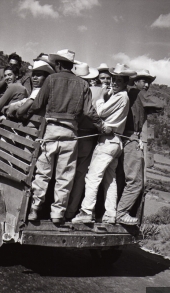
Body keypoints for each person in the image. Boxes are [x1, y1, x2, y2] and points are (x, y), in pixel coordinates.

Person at [27, 49, 102, 224]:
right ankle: (57, 214)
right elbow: (88, 111)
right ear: (72, 66)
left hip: (51, 130)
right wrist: (101, 126)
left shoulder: (51, 79)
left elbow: (37, 104)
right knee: (65, 176)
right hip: (71, 134)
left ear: (59, 64)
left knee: (43, 173)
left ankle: (35, 209)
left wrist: (25, 115)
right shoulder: (83, 84)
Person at [72, 64, 136, 224]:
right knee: (110, 179)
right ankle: (110, 213)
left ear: (125, 83)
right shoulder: (120, 96)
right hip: (115, 142)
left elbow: (100, 112)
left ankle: (86, 211)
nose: (114, 83)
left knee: (92, 177)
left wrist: (100, 96)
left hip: (107, 142)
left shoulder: (121, 96)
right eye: (114, 80)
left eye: (119, 81)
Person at [116, 70, 165, 225]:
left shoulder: (127, 93)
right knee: (136, 181)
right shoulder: (139, 93)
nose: (147, 85)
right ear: (135, 81)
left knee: (118, 178)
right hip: (131, 138)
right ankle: (121, 213)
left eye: (148, 82)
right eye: (144, 81)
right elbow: (160, 104)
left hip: (120, 137)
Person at [65, 62, 100, 220]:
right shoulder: (97, 91)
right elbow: (91, 113)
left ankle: (58, 209)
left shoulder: (70, 89)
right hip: (88, 136)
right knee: (80, 176)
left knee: (64, 173)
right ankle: (71, 211)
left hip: (71, 133)